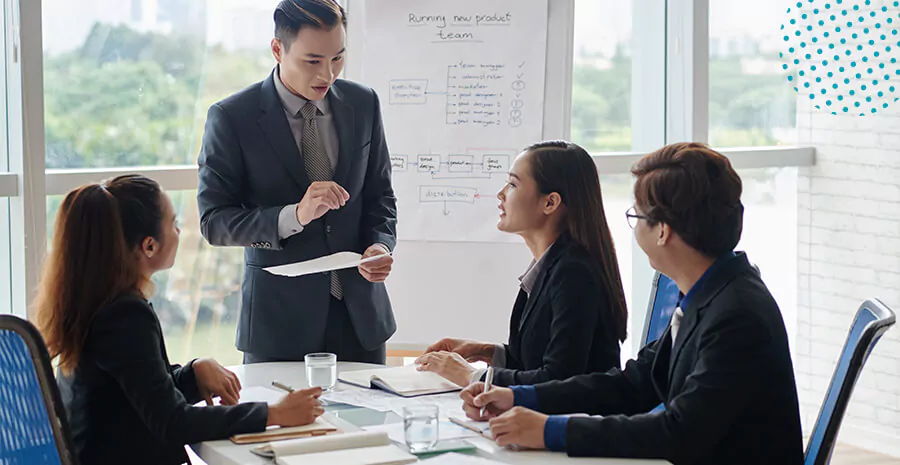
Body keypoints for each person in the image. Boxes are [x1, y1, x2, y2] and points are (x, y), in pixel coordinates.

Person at [459, 143, 804, 465]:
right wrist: (520, 398)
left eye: (636, 217)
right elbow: (635, 383)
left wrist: (550, 430)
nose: (632, 228)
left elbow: (679, 433)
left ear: (663, 231)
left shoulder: (736, 316)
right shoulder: (710, 294)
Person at [36, 175, 325, 465]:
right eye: (173, 223)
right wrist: (274, 413)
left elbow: (142, 395)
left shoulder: (94, 302)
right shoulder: (125, 316)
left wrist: (193, 374)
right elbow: (173, 422)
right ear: (149, 246)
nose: (179, 231)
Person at [197, 0, 397, 364]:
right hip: (278, 326)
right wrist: (294, 215)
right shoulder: (231, 118)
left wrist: (379, 246)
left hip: (361, 320)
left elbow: (380, 196)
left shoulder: (363, 103)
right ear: (277, 49)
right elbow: (214, 222)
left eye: (338, 57)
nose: (328, 74)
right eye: (313, 61)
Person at [416, 141, 628, 387]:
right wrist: (484, 351)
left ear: (550, 203)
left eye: (513, 184)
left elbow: (557, 380)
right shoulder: (550, 264)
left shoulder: (574, 273)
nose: (501, 193)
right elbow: (534, 360)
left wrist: (472, 376)